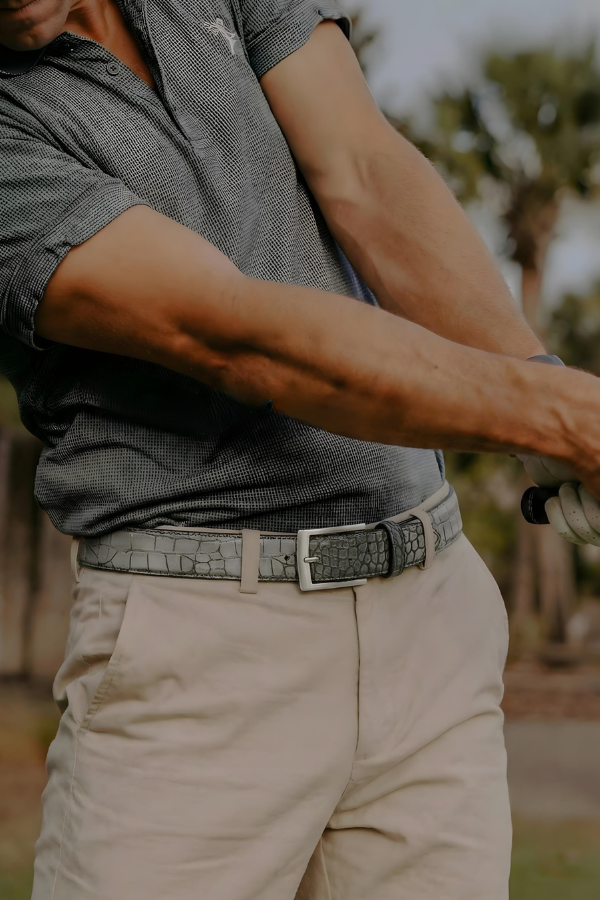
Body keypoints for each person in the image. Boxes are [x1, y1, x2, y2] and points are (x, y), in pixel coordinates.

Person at [1, 0, 600, 897]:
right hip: (200, 656)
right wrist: (565, 418)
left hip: (428, 615)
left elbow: (363, 169)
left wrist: (544, 394)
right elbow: (237, 337)